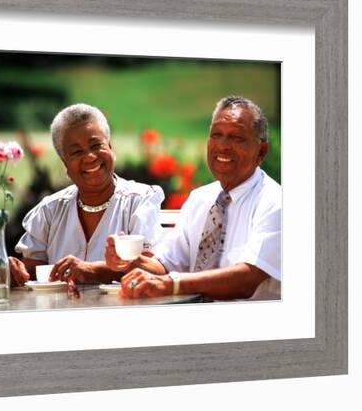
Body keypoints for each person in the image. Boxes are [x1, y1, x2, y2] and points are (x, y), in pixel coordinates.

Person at [105, 96, 281, 300]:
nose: (223, 145)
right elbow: (166, 265)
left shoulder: (275, 203)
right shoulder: (200, 199)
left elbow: (247, 280)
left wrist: (171, 284)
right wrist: (127, 260)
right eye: (216, 135)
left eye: (237, 138)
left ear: (262, 151)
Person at [9, 103, 165, 286]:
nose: (90, 157)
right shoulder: (49, 211)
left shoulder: (140, 201)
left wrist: (93, 271)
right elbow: (34, 274)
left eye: (96, 145)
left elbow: (154, 270)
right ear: (64, 162)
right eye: (76, 152)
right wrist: (15, 272)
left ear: (110, 147)